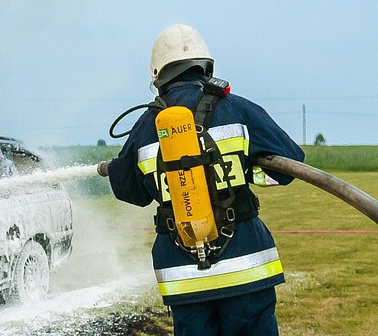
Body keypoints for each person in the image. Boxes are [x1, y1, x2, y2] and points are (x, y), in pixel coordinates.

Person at [105, 24, 304, 336]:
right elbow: (290, 163)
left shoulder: (146, 125)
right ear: (205, 65)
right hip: (246, 266)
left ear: (158, 75)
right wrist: (241, 170)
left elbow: (130, 191)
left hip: (184, 275)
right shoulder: (237, 108)